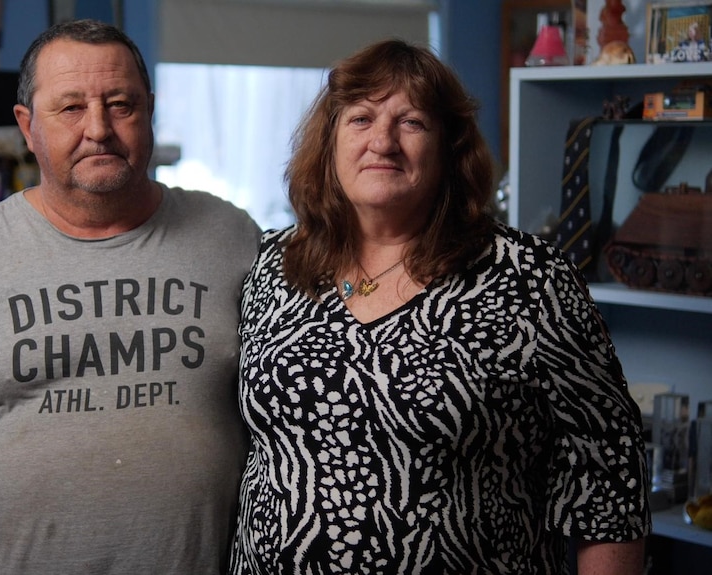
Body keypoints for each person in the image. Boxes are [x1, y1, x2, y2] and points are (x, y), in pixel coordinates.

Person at [229, 39, 650, 574]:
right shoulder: (273, 265)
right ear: (329, 143)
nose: (382, 141)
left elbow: (609, 469)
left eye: (411, 123)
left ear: (450, 148)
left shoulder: (530, 279)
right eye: (360, 119)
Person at [0, 19, 261, 575]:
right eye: (70, 108)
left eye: (120, 104)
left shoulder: (233, 237)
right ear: (27, 126)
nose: (98, 128)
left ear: (149, 109)